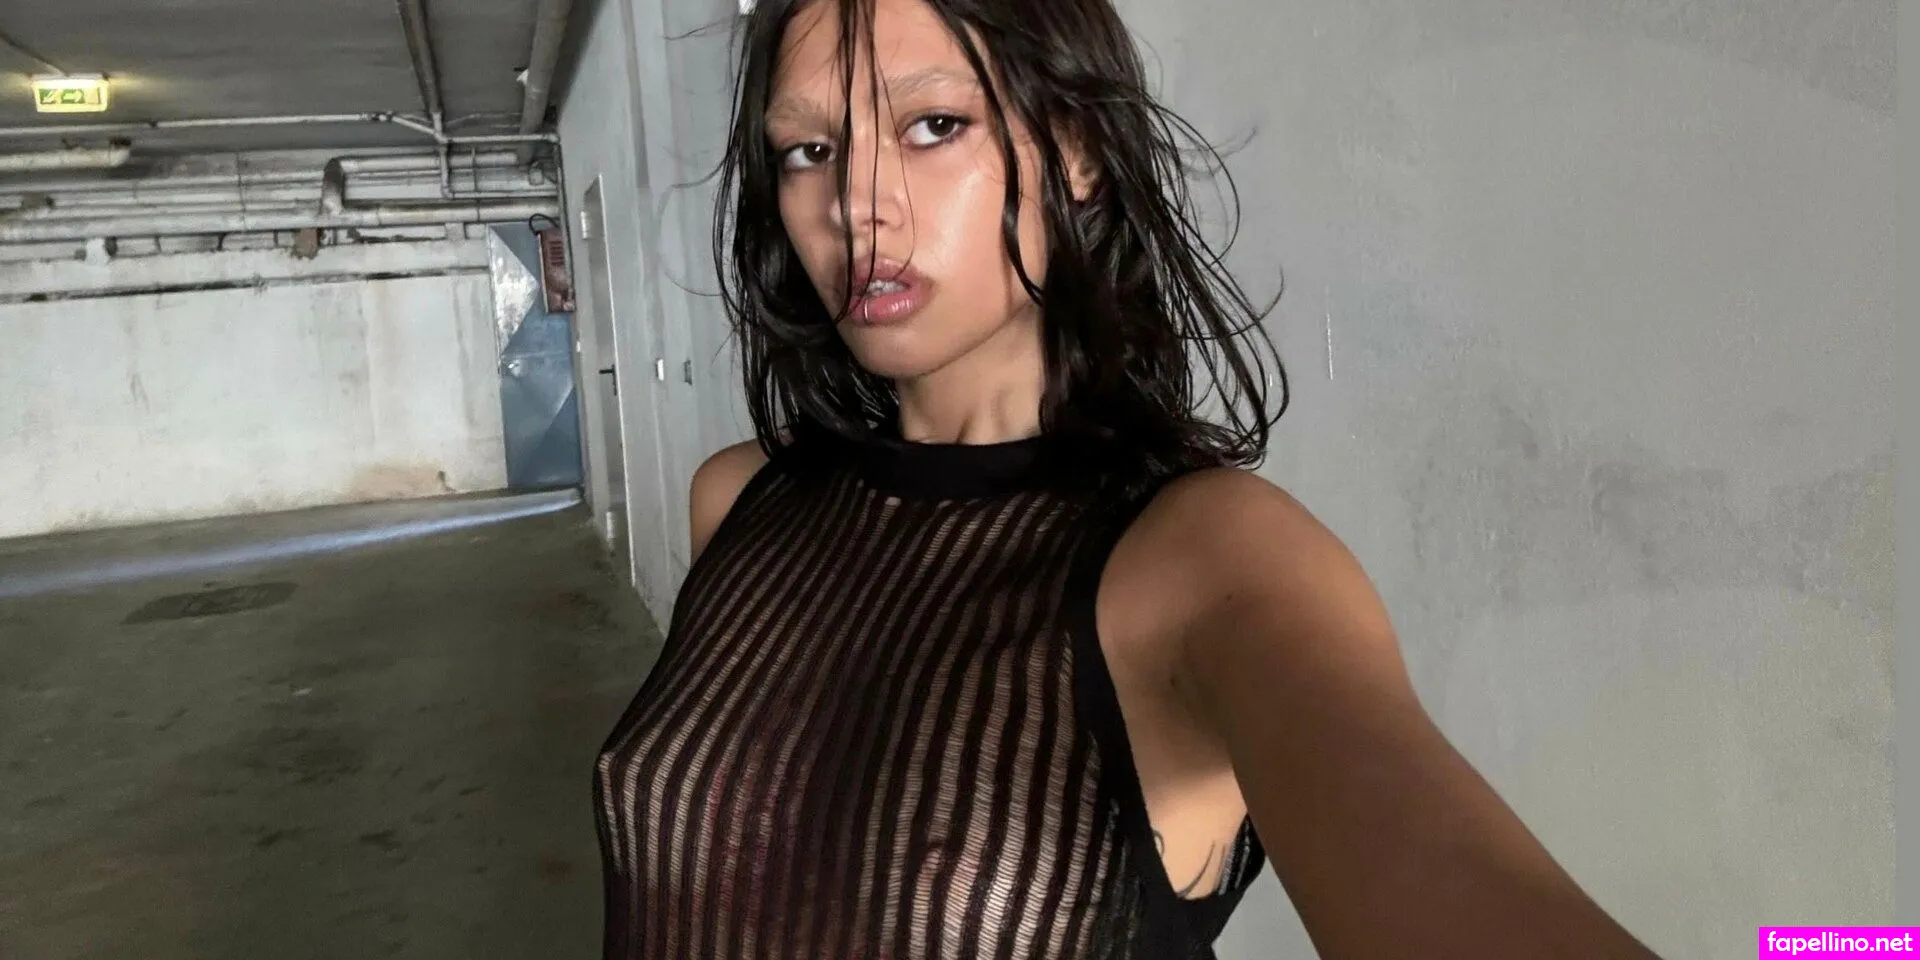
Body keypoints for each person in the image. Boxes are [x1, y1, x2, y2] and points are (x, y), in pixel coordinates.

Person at [593, 0, 1662, 956]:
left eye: (934, 126)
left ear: (1078, 152)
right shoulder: (739, 502)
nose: (855, 204)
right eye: (809, 150)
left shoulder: (1205, 559)